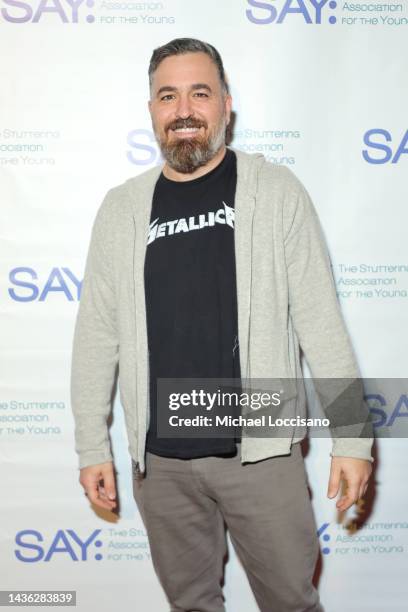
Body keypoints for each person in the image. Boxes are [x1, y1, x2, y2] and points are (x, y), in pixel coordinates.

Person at [70, 37, 374, 612]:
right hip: (159, 466)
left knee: (291, 602)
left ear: (226, 104)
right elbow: (96, 337)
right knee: (190, 605)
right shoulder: (122, 209)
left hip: (259, 454)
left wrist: (353, 437)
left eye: (199, 93)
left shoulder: (275, 191)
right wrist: (92, 447)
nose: (184, 109)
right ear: (153, 111)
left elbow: (321, 323)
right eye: (168, 96)